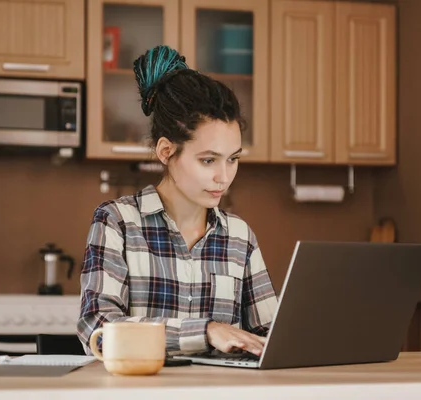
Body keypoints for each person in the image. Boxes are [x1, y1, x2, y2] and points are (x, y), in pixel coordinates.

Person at [77, 45, 278, 357]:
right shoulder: (118, 222)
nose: (223, 177)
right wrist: (207, 331)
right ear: (166, 152)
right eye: (209, 161)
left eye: (233, 159)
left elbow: (270, 336)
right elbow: (99, 329)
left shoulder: (240, 236)